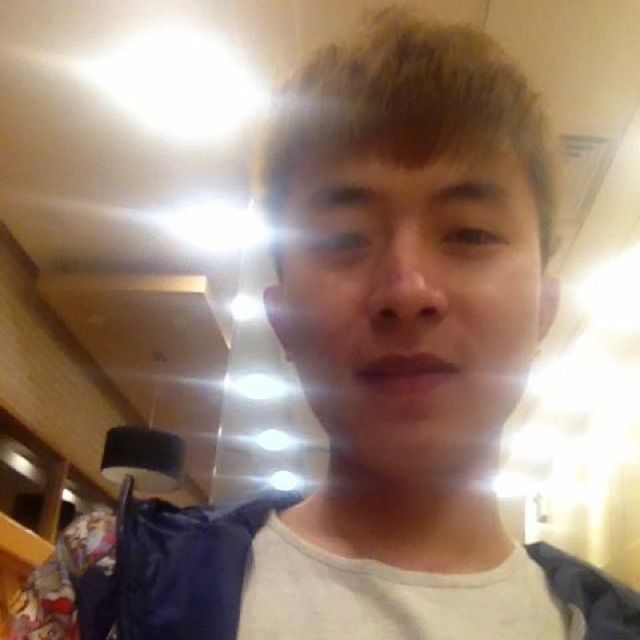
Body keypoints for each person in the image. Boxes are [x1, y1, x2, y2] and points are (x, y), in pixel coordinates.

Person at [9, 8, 640, 640]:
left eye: (470, 234)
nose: (408, 291)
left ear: (543, 310)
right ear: (282, 320)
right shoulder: (107, 582)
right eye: (344, 239)